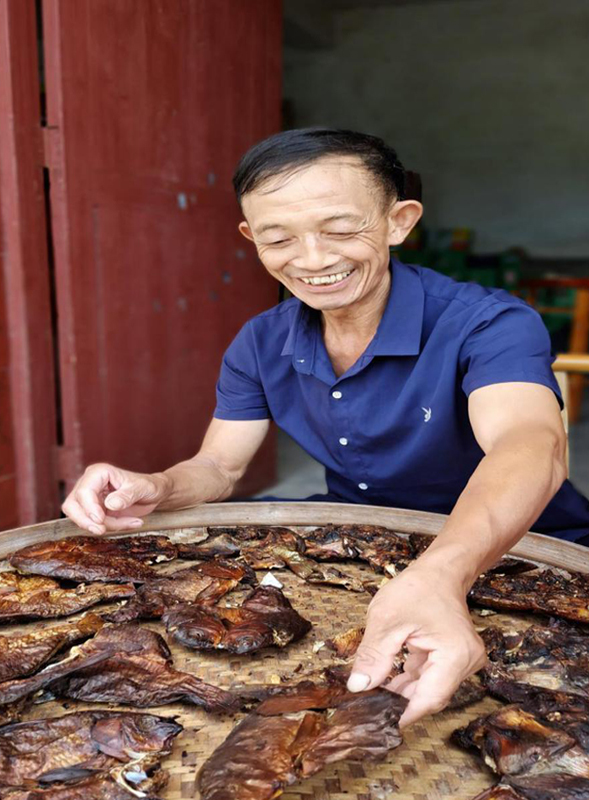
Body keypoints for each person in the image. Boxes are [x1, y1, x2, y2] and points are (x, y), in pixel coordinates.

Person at [62, 128, 589, 727]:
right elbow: (219, 467)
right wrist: (157, 485)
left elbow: (532, 445)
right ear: (251, 238)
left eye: (340, 230)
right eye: (278, 238)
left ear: (399, 221)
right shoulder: (261, 341)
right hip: (367, 552)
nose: (312, 260)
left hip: (526, 552)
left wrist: (442, 571)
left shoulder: (488, 323)